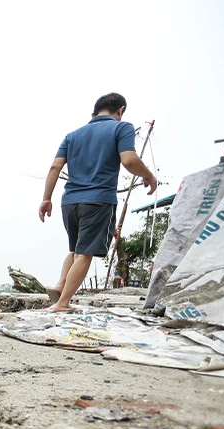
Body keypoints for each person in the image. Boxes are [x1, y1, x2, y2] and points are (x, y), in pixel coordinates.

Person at [38, 93, 157, 312]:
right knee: (85, 253)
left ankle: (61, 284)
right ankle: (62, 303)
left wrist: (46, 198)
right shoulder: (121, 128)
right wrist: (148, 175)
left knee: (75, 249)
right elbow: (129, 159)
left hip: (69, 202)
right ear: (120, 110)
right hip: (97, 200)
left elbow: (55, 166)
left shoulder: (72, 135)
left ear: (93, 113)